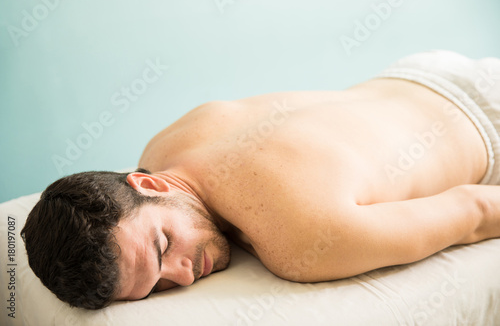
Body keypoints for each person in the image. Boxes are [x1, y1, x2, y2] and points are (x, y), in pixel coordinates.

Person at [21, 50, 500, 310]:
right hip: (418, 72)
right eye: (158, 288)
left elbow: (474, 212)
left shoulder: (301, 240)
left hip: (487, 126)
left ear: (152, 186)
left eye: (164, 248)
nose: (184, 275)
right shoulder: (161, 149)